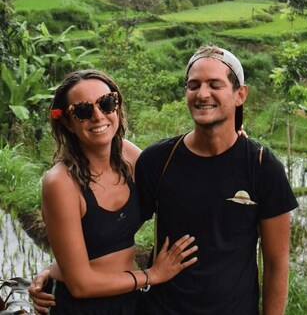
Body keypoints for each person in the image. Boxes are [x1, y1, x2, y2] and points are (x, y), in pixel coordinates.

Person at [135, 45, 298, 314]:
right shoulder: (157, 161)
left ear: (239, 94)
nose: (202, 94)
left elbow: (276, 263)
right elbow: (116, 233)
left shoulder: (262, 168)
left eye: (215, 85)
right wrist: (61, 269)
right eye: (193, 85)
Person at [29, 69, 198, 314]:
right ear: (67, 121)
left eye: (106, 103)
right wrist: (152, 275)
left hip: (129, 298)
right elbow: (80, 285)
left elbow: (181, 183)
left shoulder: (129, 156)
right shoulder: (61, 183)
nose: (98, 116)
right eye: (83, 111)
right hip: (81, 306)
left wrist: (230, 144)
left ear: (117, 107)